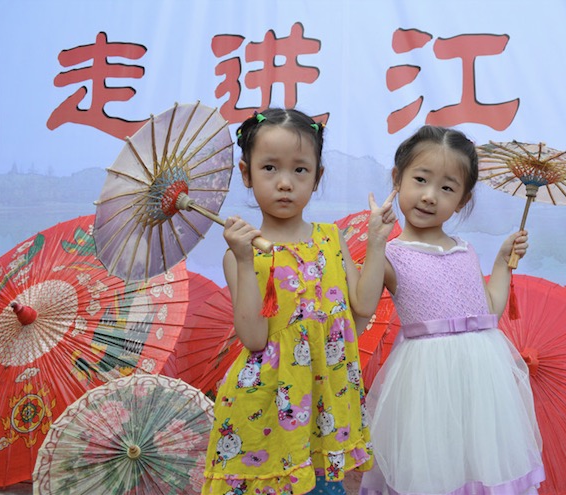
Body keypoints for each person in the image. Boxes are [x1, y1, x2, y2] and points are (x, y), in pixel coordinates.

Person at [202, 108, 397, 495]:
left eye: (300, 170)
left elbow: (362, 306)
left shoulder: (331, 238)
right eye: (270, 168)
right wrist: (243, 259)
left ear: (317, 177)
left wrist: (376, 241)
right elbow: (255, 339)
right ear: (246, 173)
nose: (285, 183)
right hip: (268, 406)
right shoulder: (242, 253)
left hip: (327, 400)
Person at [360, 125, 545, 495]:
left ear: (462, 199)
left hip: (481, 374)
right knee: (433, 459)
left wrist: (502, 261)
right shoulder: (394, 253)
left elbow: (488, 308)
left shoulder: (464, 249)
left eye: (447, 188)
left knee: (477, 456)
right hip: (426, 378)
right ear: (398, 179)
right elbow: (362, 308)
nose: (430, 196)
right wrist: (376, 242)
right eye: (421, 180)